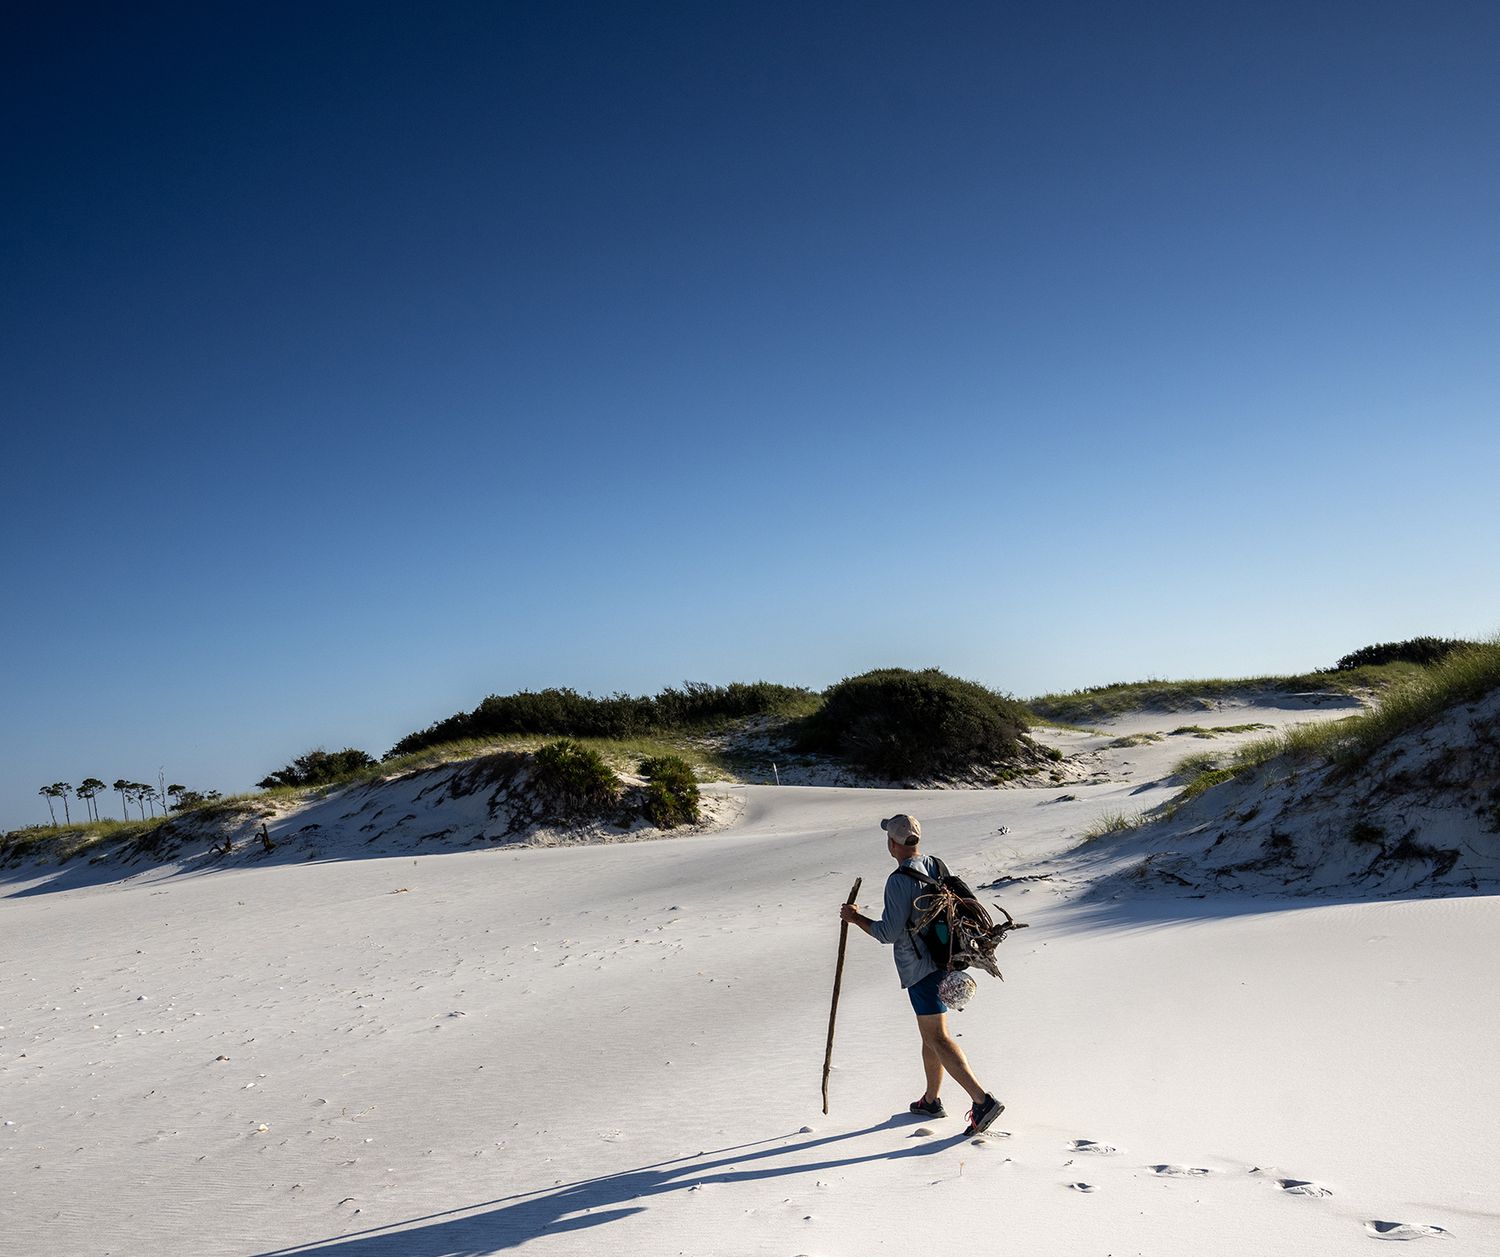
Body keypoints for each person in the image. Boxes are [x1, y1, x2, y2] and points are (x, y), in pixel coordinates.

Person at [839, 813, 1004, 1135]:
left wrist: (856, 919)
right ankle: (931, 1100)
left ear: (891, 843)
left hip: (921, 967)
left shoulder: (899, 880)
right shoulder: (936, 864)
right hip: (947, 958)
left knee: (937, 1037)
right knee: (931, 1034)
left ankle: (982, 1100)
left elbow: (887, 932)